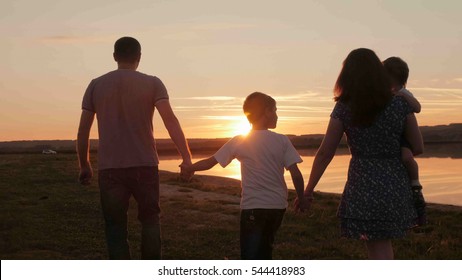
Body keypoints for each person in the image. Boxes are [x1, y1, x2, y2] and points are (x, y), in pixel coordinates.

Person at [297, 48, 424, 259]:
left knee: (376, 247)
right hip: (394, 183)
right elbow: (418, 147)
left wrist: (308, 191)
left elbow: (325, 153)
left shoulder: (344, 107)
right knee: (381, 245)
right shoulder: (401, 104)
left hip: (362, 184)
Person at [76, 36, 192, 259]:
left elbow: (83, 131)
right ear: (139, 57)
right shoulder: (153, 83)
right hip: (145, 165)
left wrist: (85, 165)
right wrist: (186, 157)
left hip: (110, 169)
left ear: (114, 57)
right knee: (150, 221)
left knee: (115, 227)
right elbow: (170, 121)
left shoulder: (96, 84)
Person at [185, 92, 308, 259]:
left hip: (253, 207)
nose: (277, 115)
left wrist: (190, 168)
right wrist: (301, 198)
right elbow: (296, 174)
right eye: (275, 110)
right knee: (265, 251)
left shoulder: (240, 141)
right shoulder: (282, 140)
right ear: (266, 112)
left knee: (250, 256)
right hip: (277, 207)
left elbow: (211, 161)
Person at [383, 56, 426, 226]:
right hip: (392, 134)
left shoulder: (403, 93)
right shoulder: (384, 93)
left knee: (407, 157)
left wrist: (402, 96)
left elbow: (418, 108)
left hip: (404, 136)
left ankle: (415, 182)